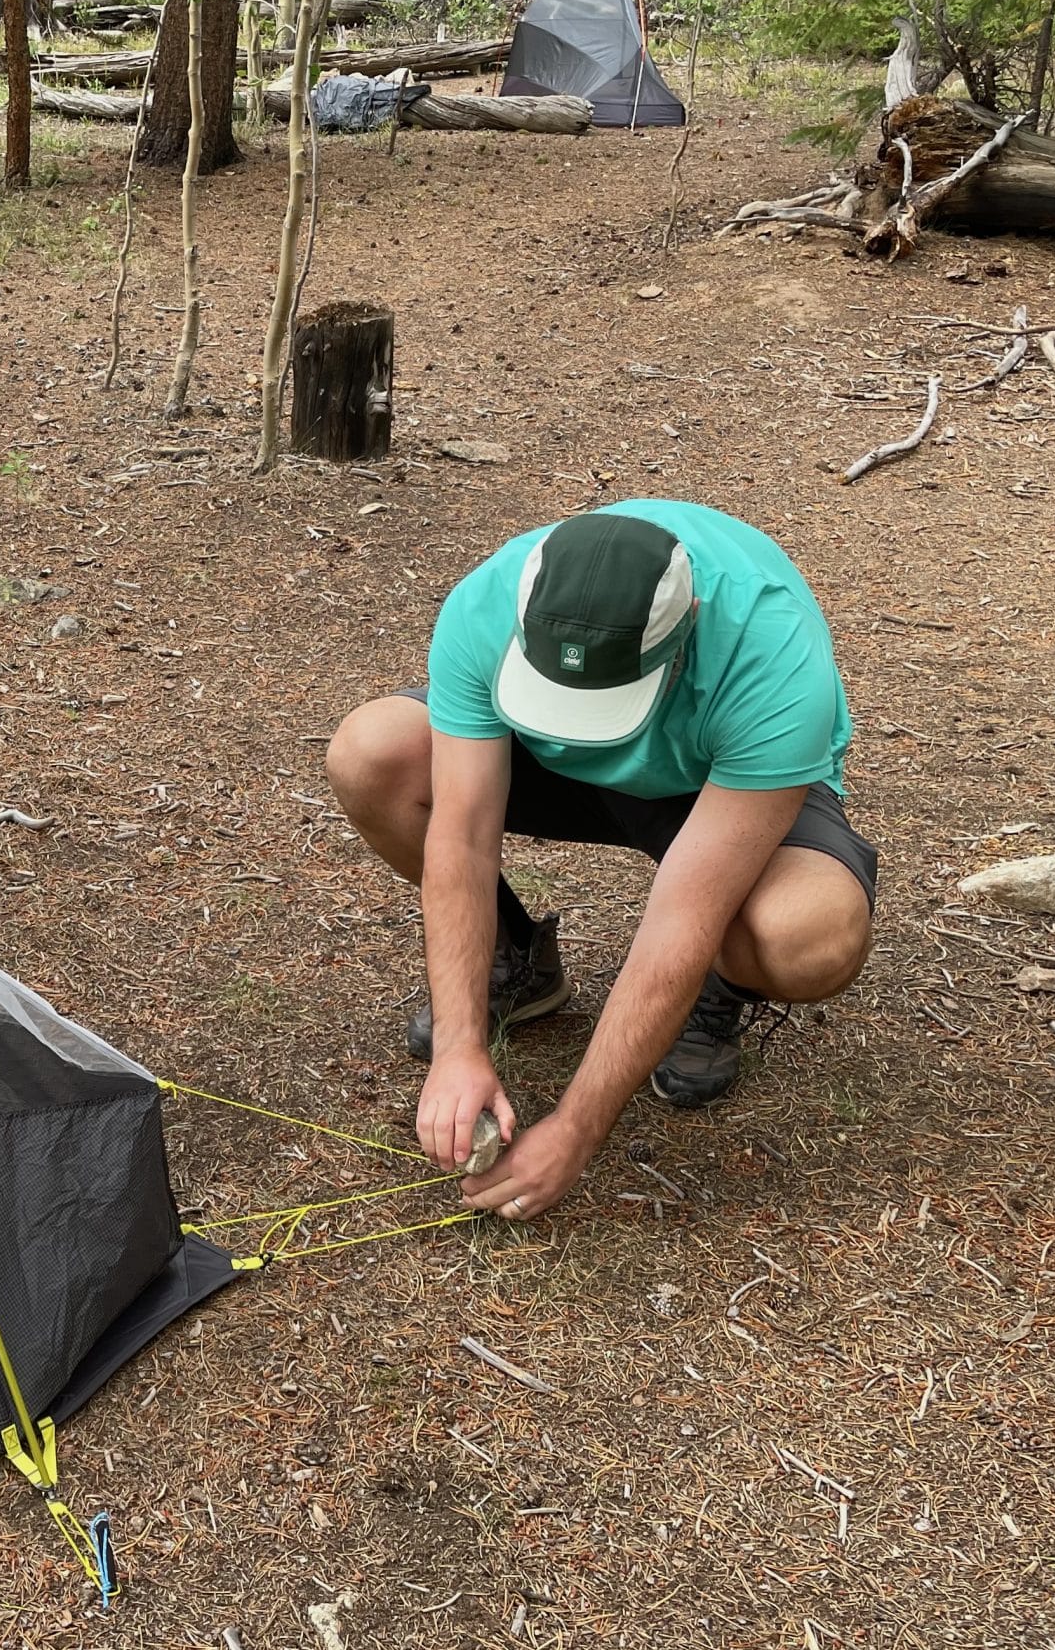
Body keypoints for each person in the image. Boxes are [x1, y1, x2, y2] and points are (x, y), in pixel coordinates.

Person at [325, 499, 875, 1220]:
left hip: (709, 783)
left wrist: (578, 1128)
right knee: (372, 754)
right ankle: (515, 965)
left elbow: (683, 915)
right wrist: (458, 1047)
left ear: (688, 631)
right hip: (541, 760)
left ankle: (717, 992)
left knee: (810, 936)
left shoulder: (771, 654)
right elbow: (460, 835)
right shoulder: (491, 601)